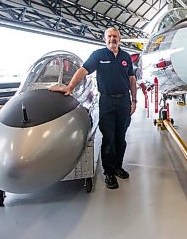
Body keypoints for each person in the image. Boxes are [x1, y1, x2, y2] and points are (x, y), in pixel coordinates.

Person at [50, 27, 137, 190]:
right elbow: (83, 71)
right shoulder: (98, 55)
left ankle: (118, 167)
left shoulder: (125, 57)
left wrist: (134, 100)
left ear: (120, 39)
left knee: (121, 138)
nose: (112, 39)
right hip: (107, 101)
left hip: (124, 101)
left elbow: (132, 79)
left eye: (115, 36)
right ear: (104, 39)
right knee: (109, 139)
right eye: (109, 36)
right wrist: (70, 87)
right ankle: (109, 173)